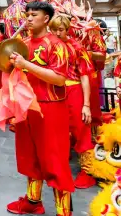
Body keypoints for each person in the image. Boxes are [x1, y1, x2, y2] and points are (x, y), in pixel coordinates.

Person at [6, 1, 73, 216]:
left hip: (50, 109)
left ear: (46, 19)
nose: (28, 18)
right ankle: (33, 201)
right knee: (29, 157)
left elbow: (60, 79)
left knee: (55, 161)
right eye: (27, 14)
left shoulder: (57, 45)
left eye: (34, 14)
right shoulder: (22, 44)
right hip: (26, 108)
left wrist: (26, 65)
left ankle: (64, 211)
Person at [49, 16, 96, 189]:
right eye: (53, 29)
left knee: (81, 129)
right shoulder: (49, 46)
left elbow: (84, 76)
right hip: (54, 91)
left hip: (74, 90)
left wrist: (86, 104)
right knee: (57, 129)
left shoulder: (77, 48)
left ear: (67, 29)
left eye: (60, 29)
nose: (56, 33)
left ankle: (87, 171)